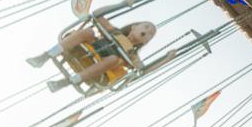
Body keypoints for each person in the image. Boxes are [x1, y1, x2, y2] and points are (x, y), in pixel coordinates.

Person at [28, 20, 156, 92]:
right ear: (133, 27)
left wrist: (167, 58)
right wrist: (122, 5)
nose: (147, 31)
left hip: (97, 69)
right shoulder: (114, 31)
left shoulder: (132, 55)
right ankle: (44, 56)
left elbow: (144, 70)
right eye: (146, 27)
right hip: (84, 50)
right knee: (89, 31)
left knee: (114, 59)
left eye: (150, 34)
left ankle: (67, 82)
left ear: (146, 42)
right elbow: (98, 15)